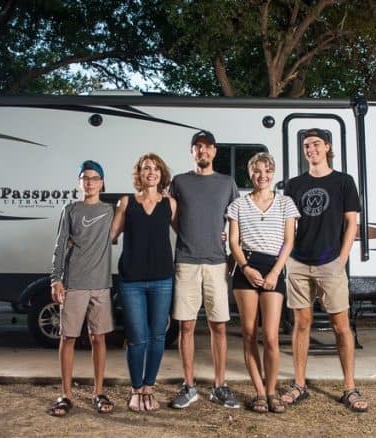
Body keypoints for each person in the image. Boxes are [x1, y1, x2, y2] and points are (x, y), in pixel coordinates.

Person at [281, 128, 368, 412]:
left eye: (316, 144)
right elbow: (288, 226)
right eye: (306, 146)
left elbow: (351, 223)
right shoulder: (294, 185)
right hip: (299, 261)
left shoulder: (343, 182)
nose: (311, 149)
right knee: (301, 324)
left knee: (341, 327)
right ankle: (299, 384)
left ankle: (349, 388)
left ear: (327, 147)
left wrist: (342, 258)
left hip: (330, 262)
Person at [168, 130, 240, 409]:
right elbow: (173, 217)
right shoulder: (180, 182)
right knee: (186, 326)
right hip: (186, 261)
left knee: (218, 326)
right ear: (192, 151)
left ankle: (220, 386)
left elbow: (235, 217)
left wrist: (228, 236)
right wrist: (188, 233)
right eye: (198, 147)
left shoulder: (226, 183)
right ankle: (189, 386)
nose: (203, 152)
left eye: (208, 147)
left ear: (214, 152)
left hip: (216, 262)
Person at [227, 152, 299, 414]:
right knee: (249, 333)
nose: (262, 176)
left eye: (267, 171)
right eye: (257, 171)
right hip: (246, 268)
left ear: (273, 173)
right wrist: (245, 268)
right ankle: (259, 392)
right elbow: (233, 241)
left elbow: (289, 241)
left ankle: (271, 391)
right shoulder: (238, 204)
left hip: (273, 268)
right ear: (250, 174)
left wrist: (274, 273)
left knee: (270, 336)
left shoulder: (286, 203)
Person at [110, 153, 177, 412]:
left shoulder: (170, 203)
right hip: (131, 281)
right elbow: (111, 235)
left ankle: (150, 387)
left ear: (162, 174)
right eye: (146, 168)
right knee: (137, 338)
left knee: (157, 337)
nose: (151, 172)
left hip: (162, 279)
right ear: (139, 174)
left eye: (156, 168)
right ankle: (136, 391)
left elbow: (186, 232)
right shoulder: (126, 202)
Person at [48, 160, 115, 417]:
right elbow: (60, 245)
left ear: (102, 183)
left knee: (99, 338)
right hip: (74, 284)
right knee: (68, 338)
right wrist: (56, 279)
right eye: (85, 178)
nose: (89, 182)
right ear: (79, 182)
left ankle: (99, 392)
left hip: (101, 286)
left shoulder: (110, 211)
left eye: (95, 178)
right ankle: (65, 394)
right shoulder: (71, 210)